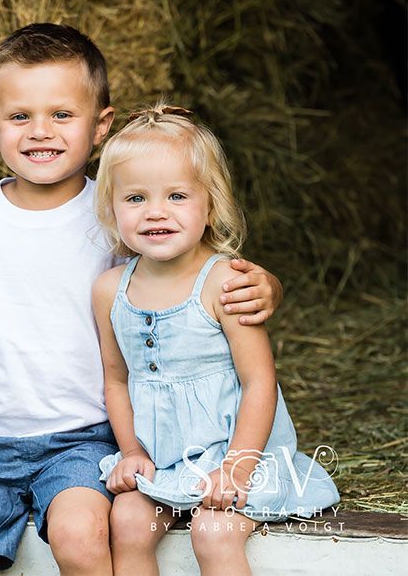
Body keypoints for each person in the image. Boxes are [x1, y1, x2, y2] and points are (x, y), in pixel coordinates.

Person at [0, 25, 284, 576]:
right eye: (19, 117)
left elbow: (195, 267)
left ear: (101, 125)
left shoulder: (119, 214)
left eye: (62, 115)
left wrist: (268, 284)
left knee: (82, 541)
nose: (40, 132)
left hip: (84, 438)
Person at [92, 105, 340, 576]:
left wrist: (237, 469)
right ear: (111, 208)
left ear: (211, 204)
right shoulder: (109, 290)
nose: (156, 212)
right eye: (135, 198)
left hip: (237, 451)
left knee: (213, 532)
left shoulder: (225, 283)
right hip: (163, 460)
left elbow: (259, 383)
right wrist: (131, 453)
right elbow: (117, 379)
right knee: (125, 522)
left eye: (178, 195)